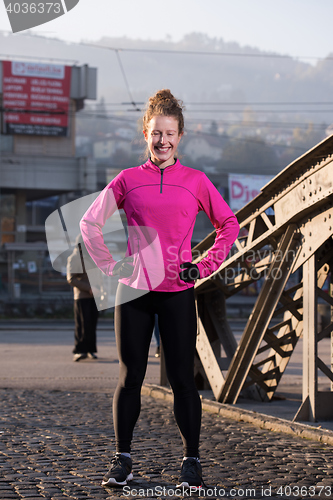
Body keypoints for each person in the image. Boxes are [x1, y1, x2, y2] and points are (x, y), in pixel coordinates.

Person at [80, 89, 239, 489]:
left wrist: (203, 266)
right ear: (145, 135)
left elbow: (229, 225)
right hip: (133, 292)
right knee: (130, 376)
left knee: (183, 379)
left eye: (169, 134)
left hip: (177, 291)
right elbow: (89, 224)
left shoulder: (196, 182)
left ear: (180, 136)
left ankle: (191, 461)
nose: (162, 141)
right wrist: (112, 265)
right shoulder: (127, 181)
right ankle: (123, 461)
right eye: (155, 133)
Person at [67, 235, 99, 362]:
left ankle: (90, 349)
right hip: (82, 296)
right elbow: (71, 278)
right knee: (82, 323)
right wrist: (89, 288)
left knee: (92, 323)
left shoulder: (92, 256)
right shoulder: (75, 258)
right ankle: (80, 350)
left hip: (94, 295)